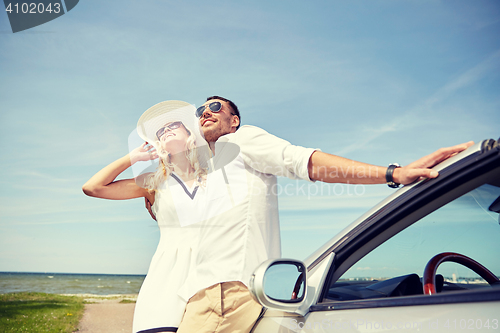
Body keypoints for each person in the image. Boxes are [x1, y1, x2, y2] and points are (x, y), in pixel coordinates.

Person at [149, 96, 473, 333]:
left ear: (233, 120)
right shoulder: (207, 169)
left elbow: (305, 162)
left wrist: (392, 173)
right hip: (203, 294)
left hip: (222, 293)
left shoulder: (241, 139)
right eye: (200, 110)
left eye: (216, 107)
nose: (206, 111)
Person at [83, 100, 211, 333]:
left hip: (210, 277)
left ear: (190, 133)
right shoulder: (153, 183)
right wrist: (132, 157)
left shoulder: (214, 178)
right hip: (165, 280)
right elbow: (93, 187)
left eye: (173, 125)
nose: (165, 131)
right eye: (160, 132)